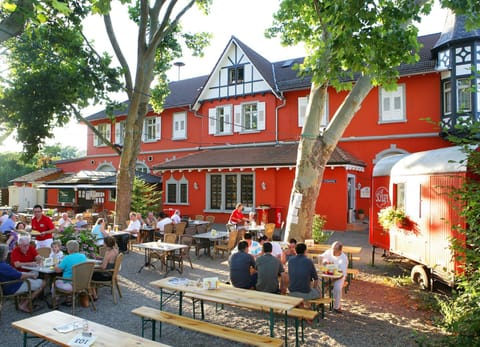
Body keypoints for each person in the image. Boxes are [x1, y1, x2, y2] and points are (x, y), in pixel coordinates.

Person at [0, 244, 45, 312]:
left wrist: (29, 274)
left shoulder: (3, 264)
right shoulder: (3, 266)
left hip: (6, 285)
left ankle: (23, 302)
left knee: (32, 279)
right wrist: (31, 275)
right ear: (3, 254)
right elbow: (20, 275)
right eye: (6, 252)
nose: (7, 254)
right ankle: (24, 304)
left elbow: (16, 273)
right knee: (43, 282)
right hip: (12, 287)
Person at [319, 241, 348, 313]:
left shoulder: (343, 259)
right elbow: (320, 257)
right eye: (332, 249)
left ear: (339, 250)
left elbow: (341, 275)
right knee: (318, 282)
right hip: (327, 273)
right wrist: (323, 261)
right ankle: (319, 301)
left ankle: (337, 306)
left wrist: (329, 282)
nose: (332, 251)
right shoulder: (329, 251)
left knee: (337, 288)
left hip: (338, 276)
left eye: (334, 250)